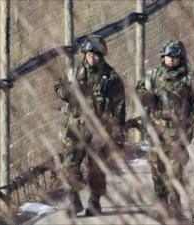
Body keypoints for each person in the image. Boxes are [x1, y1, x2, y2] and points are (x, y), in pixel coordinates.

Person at [54, 34, 126, 217]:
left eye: (95, 54)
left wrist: (118, 133)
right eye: (88, 54)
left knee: (97, 168)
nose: (91, 57)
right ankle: (73, 199)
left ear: (102, 55)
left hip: (100, 130)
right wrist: (69, 89)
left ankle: (94, 202)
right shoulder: (76, 72)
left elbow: (119, 107)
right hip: (76, 127)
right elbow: (59, 90)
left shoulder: (111, 77)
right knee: (70, 165)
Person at [136, 40, 194, 218]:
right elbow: (139, 94)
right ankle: (161, 202)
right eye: (168, 57)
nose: (171, 60)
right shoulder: (153, 76)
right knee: (157, 168)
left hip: (180, 131)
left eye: (175, 57)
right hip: (157, 130)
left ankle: (175, 202)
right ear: (162, 57)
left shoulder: (190, 78)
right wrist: (147, 95)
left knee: (175, 168)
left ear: (181, 58)